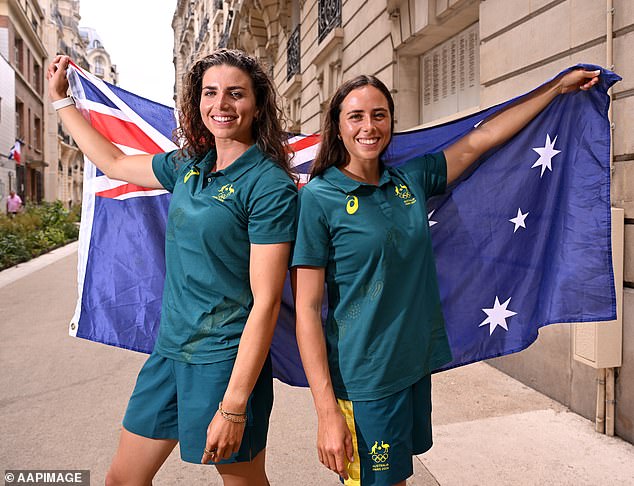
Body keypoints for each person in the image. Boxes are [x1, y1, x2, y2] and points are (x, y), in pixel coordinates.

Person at [291, 69, 600, 486]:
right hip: (364, 379)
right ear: (338, 126)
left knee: (396, 479)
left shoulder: (410, 179)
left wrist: (556, 90)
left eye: (379, 115)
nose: (369, 127)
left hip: (413, 365)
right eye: (356, 116)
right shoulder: (318, 198)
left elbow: (480, 141)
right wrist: (326, 412)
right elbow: (307, 311)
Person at [47, 49, 297, 486]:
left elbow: (266, 302)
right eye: (210, 93)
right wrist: (62, 102)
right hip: (169, 354)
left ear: (257, 105)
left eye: (235, 94)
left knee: (242, 482)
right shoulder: (189, 166)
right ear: (197, 102)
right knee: (122, 480)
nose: (221, 104)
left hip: (223, 361)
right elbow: (115, 163)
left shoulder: (268, 185)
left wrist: (234, 404)